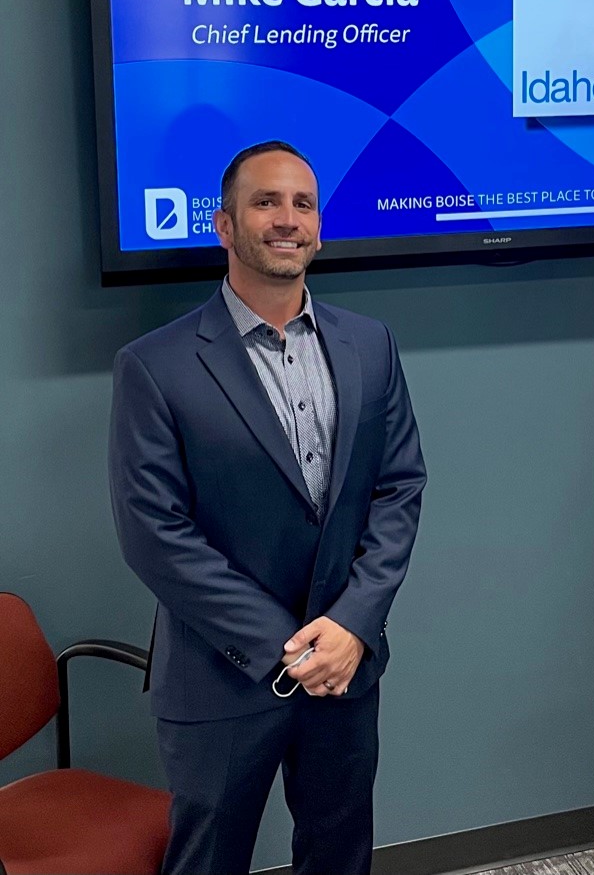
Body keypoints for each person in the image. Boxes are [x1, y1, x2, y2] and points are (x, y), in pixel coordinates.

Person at [108, 141, 427, 875]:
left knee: (340, 855)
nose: (288, 219)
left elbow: (399, 485)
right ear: (223, 225)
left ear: (319, 226)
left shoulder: (369, 345)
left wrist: (352, 623)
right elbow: (155, 532)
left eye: (303, 204)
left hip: (346, 669)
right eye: (266, 202)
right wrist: (290, 648)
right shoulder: (155, 366)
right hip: (223, 675)